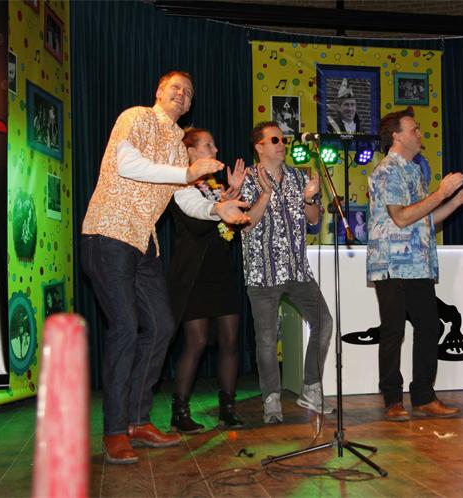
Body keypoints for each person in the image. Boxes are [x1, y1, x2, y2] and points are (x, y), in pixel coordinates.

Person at [81, 71, 249, 464]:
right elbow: (127, 164)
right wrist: (187, 173)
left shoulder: (177, 143)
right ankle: (114, 430)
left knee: (161, 325)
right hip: (108, 232)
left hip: (144, 243)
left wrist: (217, 209)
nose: (182, 94)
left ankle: (138, 420)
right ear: (159, 91)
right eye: (176, 87)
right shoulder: (136, 117)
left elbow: (184, 199)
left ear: (190, 105)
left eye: (188, 92)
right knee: (125, 327)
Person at [367, 106, 463, 422]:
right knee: (393, 330)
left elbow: (425, 218)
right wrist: (441, 192)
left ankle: (423, 396)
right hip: (392, 263)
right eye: (414, 129)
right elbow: (401, 217)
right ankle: (393, 399)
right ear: (396, 136)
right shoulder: (386, 171)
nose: (420, 134)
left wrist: (456, 200)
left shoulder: (415, 171)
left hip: (418, 264)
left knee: (429, 326)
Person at [240, 121, 334, 424]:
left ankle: (311, 389)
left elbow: (313, 220)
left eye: (283, 139)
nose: (282, 144)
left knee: (324, 322)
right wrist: (265, 195)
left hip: (297, 269)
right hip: (263, 271)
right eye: (275, 140)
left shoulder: (298, 176)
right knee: (267, 338)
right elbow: (246, 224)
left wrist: (310, 197)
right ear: (259, 146)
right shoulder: (247, 179)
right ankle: (271, 399)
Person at [167, 128, 248, 433]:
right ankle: (179, 411)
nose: (215, 150)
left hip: (221, 270)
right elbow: (198, 226)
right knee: (197, 342)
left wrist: (232, 195)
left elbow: (230, 229)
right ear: (190, 152)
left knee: (230, 339)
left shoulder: (215, 185)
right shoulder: (180, 184)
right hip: (194, 274)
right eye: (208, 145)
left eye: (214, 144)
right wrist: (222, 205)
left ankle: (228, 408)